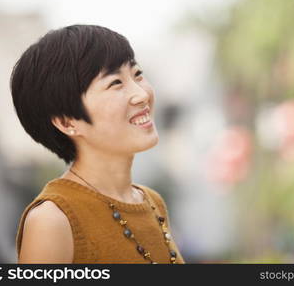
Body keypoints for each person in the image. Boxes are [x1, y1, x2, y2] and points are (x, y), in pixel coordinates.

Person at [10, 24, 184, 264]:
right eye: (115, 83)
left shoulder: (152, 202)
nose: (142, 94)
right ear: (66, 121)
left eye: (137, 74)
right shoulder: (52, 220)